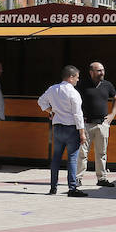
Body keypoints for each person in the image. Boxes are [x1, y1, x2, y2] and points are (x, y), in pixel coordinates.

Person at [38, 65, 88, 197]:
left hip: (57, 127)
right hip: (71, 128)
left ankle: (53, 188)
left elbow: (41, 101)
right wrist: (82, 133)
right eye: (77, 77)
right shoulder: (74, 93)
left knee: (56, 158)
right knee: (72, 158)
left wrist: (52, 111)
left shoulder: (52, 89)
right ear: (71, 77)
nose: (78, 80)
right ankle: (72, 188)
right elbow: (78, 114)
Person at [76, 61, 116, 188]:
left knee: (101, 153)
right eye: (99, 70)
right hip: (86, 124)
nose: (102, 73)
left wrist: (112, 115)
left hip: (102, 125)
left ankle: (102, 178)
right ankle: (78, 178)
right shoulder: (82, 85)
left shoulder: (107, 85)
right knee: (82, 153)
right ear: (91, 72)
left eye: (103, 70)